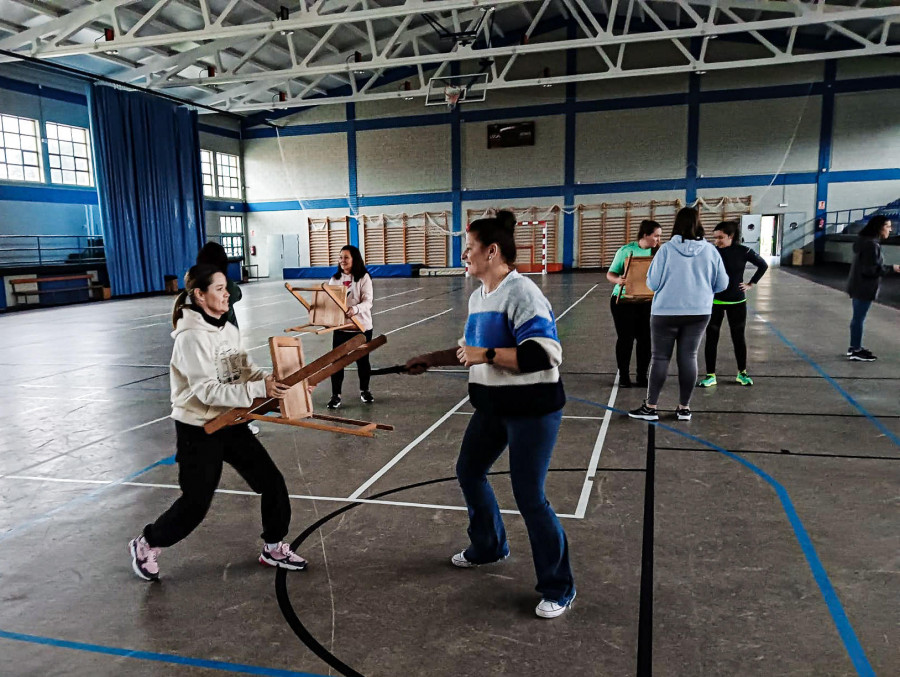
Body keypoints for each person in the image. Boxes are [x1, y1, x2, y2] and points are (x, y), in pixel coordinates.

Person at [404, 210, 575, 619]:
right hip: (493, 406)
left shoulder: (523, 294)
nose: (464, 254)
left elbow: (543, 354)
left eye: (470, 248)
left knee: (530, 497)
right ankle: (489, 546)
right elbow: (469, 350)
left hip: (533, 409)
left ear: (492, 251)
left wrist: (489, 355)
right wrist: (430, 358)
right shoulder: (479, 295)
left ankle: (559, 586)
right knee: (469, 470)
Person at [128, 264, 307, 582]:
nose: (227, 294)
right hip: (199, 429)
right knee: (196, 503)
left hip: (231, 420)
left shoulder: (225, 328)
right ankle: (148, 543)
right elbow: (207, 391)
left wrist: (273, 380)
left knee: (272, 482)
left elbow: (242, 369)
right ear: (199, 294)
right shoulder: (190, 338)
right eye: (220, 288)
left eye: (227, 289)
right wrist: (258, 390)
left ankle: (273, 547)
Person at [629, 207, 728, 422]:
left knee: (660, 357)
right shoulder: (711, 251)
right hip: (699, 311)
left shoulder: (666, 250)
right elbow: (722, 284)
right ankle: (684, 408)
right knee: (689, 357)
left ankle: (651, 407)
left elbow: (652, 283)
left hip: (665, 311)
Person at [197, 242, 261, 435]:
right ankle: (238, 422)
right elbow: (237, 293)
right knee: (233, 381)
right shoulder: (221, 282)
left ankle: (210, 419)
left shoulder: (197, 282)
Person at [697, 221, 768, 388]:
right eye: (715, 238)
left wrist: (751, 283)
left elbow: (763, 265)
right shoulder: (712, 251)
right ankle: (710, 375)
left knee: (738, 337)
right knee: (711, 338)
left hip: (737, 301)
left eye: (720, 238)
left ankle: (742, 373)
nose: (717, 241)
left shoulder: (743, 251)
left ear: (731, 236)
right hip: (715, 302)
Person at [606, 220, 662, 388]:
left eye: (660, 236)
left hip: (647, 301)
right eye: (656, 236)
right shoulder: (625, 250)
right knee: (626, 338)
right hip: (624, 300)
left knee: (645, 339)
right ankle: (623, 375)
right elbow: (611, 274)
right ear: (645, 235)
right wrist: (619, 280)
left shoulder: (659, 252)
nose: (658, 239)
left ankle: (642, 375)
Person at [846, 215, 900, 361]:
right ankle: (856, 349)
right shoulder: (871, 245)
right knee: (859, 318)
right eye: (888, 226)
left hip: (857, 285)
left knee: (857, 318)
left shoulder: (864, 242)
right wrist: (892, 268)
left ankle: (854, 347)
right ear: (879, 227)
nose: (890, 229)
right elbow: (870, 270)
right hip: (864, 286)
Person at [327, 245, 375, 408]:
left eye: (346, 257)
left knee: (362, 361)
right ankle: (336, 395)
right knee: (337, 362)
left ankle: (365, 390)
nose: (342, 260)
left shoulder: (364, 278)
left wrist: (354, 309)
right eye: (340, 257)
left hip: (361, 327)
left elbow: (368, 302)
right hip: (341, 328)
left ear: (354, 259)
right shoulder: (334, 279)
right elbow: (331, 302)